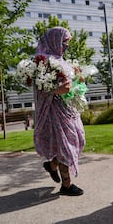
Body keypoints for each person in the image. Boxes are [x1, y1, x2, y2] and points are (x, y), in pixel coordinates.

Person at [33, 27, 85, 196]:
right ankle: (67, 185)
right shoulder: (43, 61)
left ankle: (52, 165)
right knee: (65, 145)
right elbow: (41, 88)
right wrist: (56, 91)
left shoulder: (61, 60)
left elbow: (69, 84)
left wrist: (78, 78)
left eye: (67, 42)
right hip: (54, 111)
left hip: (69, 109)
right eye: (64, 42)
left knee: (78, 140)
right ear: (54, 41)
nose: (66, 45)